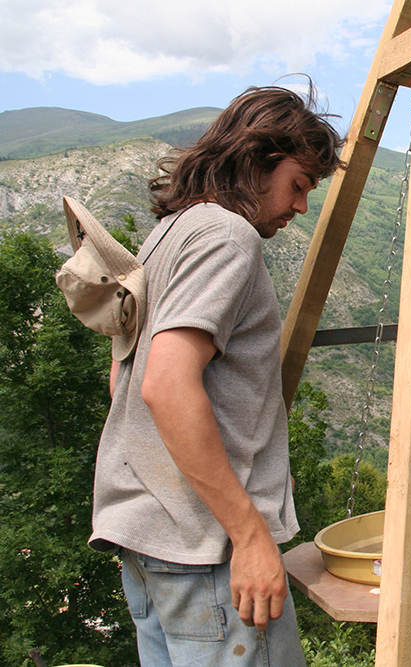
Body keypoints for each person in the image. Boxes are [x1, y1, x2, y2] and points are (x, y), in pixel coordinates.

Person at [89, 83, 343, 665]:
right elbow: (165, 384)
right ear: (256, 162)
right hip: (208, 555)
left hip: (148, 542)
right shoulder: (228, 236)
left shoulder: (165, 237)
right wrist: (250, 534)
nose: (300, 206)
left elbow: (122, 382)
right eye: (298, 184)